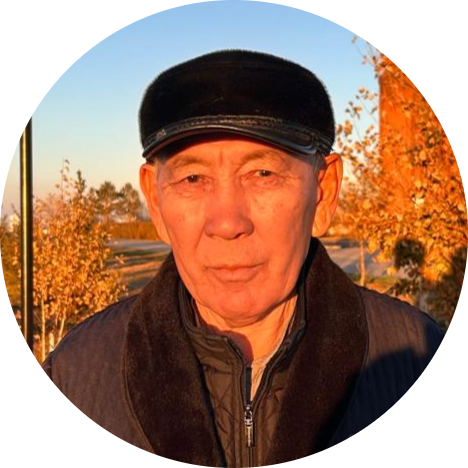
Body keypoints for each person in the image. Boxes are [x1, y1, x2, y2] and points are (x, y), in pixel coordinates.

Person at [41, 49, 445, 465]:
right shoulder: (77, 376)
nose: (227, 222)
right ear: (155, 202)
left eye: (263, 174)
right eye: (193, 178)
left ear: (323, 193)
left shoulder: (412, 358)